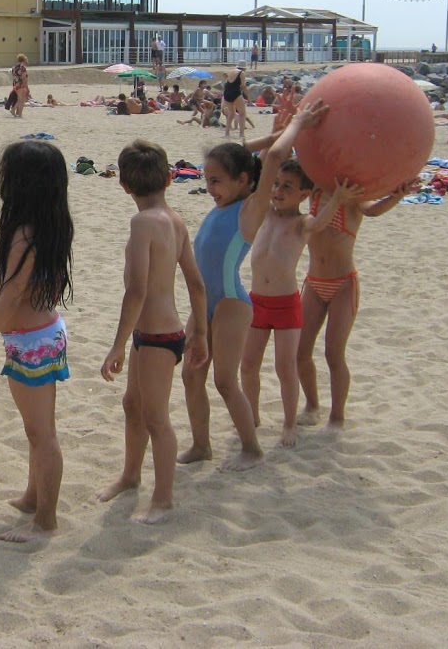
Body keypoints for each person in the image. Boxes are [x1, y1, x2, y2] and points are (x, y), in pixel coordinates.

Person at [0, 140, 74, 542]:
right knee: (36, 430)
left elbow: (11, 295)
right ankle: (32, 495)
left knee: (42, 433)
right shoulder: (47, 223)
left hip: (33, 341)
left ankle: (46, 522)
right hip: (39, 335)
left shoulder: (25, 233)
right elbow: (9, 291)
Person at [98, 140, 207, 524]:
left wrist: (117, 344)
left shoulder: (143, 222)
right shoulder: (175, 219)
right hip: (160, 334)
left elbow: (138, 290)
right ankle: (130, 476)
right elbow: (196, 283)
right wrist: (200, 334)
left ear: (124, 185)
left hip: (158, 336)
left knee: (157, 418)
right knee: (133, 406)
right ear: (169, 179)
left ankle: (163, 499)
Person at [235, 101, 352, 447]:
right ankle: (253, 415)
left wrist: (338, 199)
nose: (279, 190)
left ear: (305, 194)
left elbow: (321, 222)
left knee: (286, 368)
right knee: (248, 365)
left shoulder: (301, 223)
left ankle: (289, 423)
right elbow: (259, 166)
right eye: (277, 185)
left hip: (287, 304)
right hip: (256, 301)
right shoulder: (264, 213)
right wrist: (277, 133)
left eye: (288, 186)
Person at [178, 128, 290, 470]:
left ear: (243, 180)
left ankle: (251, 448)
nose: (210, 188)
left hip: (230, 304)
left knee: (225, 380)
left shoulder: (251, 208)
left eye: (216, 181)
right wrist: (270, 135)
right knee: (191, 376)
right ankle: (201, 445)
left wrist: (293, 128)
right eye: (207, 180)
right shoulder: (227, 200)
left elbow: (271, 160)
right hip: (203, 306)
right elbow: (237, 152)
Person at [296, 174, 422, 427]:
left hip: (343, 284)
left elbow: (373, 211)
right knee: (300, 351)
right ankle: (312, 404)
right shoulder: (316, 189)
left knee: (334, 353)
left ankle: (337, 416)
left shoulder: (353, 195)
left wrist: (396, 196)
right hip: (314, 282)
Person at [222, 61, 249, 140]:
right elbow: (243, 85)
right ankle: (241, 134)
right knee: (242, 114)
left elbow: (227, 82)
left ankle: (227, 133)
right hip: (235, 93)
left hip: (227, 93)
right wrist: (248, 96)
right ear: (244, 68)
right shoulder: (242, 73)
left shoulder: (231, 71)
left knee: (231, 113)